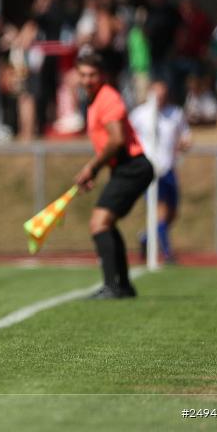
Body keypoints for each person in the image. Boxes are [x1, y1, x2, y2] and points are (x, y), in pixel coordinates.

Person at [73, 49, 154, 299]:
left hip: (133, 167)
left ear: (102, 75)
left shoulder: (108, 97)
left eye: (92, 75)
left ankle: (112, 286)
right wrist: (95, 171)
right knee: (106, 223)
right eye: (83, 75)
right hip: (124, 168)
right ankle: (123, 286)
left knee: (99, 223)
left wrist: (92, 167)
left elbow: (117, 140)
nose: (87, 80)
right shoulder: (94, 101)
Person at [129, 81, 191, 264]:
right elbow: (127, 135)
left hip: (168, 169)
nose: (160, 98)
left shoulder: (175, 113)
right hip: (150, 171)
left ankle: (146, 238)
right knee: (161, 212)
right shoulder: (140, 114)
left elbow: (185, 134)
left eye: (163, 94)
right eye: (157, 94)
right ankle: (167, 253)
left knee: (172, 213)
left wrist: (184, 144)